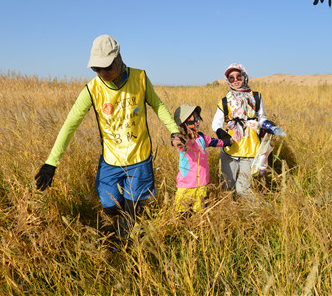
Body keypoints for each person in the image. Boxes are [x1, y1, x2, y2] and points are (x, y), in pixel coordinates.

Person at [35, 34, 182, 238]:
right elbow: (70, 125)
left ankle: (124, 245)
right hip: (110, 161)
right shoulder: (92, 90)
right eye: (97, 69)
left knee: (129, 214)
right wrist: (51, 163)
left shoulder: (139, 78)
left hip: (139, 159)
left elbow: (157, 105)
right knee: (110, 207)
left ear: (119, 59)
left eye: (107, 67)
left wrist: (173, 130)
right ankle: (129, 219)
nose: (102, 73)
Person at [211, 63, 268, 199]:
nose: (235, 80)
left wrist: (266, 126)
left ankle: (259, 212)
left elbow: (262, 118)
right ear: (227, 80)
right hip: (230, 151)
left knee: (243, 189)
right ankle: (231, 215)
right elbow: (216, 123)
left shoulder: (256, 97)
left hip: (250, 150)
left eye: (238, 76)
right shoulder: (225, 101)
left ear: (244, 77)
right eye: (231, 78)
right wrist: (221, 134)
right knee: (226, 188)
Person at [173, 104, 225, 213]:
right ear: (184, 123)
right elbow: (176, 142)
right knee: (181, 214)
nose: (198, 122)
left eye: (198, 118)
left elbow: (213, 142)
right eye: (194, 120)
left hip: (202, 184)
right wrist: (177, 141)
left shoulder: (201, 136)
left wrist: (226, 142)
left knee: (200, 214)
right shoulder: (182, 139)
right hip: (185, 186)